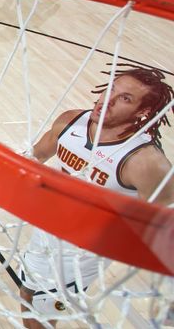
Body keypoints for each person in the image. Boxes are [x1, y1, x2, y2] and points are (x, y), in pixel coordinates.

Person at [19, 66, 174, 327]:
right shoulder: (71, 121)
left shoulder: (146, 163)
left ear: (143, 113)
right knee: (26, 294)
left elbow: (161, 228)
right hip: (48, 227)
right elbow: (37, 155)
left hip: (86, 249)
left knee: (43, 311)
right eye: (111, 89)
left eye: (125, 98)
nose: (107, 101)